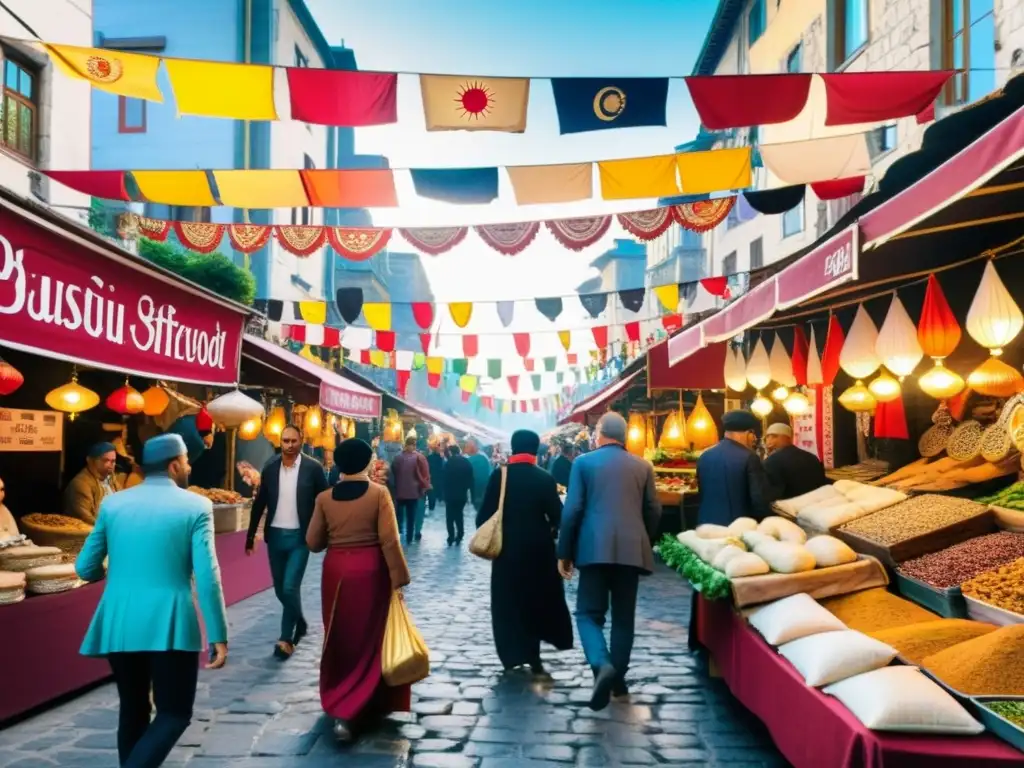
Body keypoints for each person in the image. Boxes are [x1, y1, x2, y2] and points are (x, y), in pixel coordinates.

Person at [75, 433, 228, 767]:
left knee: (133, 708)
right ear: (174, 465)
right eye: (187, 460)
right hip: (170, 620)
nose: (189, 466)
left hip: (119, 619)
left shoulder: (113, 504)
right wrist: (218, 633)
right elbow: (207, 575)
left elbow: (84, 567)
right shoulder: (196, 505)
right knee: (174, 712)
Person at [306, 438, 411, 743]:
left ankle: (340, 699)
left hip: (336, 571)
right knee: (370, 636)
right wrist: (400, 578)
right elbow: (390, 540)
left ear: (338, 465)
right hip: (371, 570)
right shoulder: (379, 494)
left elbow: (313, 543)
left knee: (339, 634)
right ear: (367, 463)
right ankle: (368, 699)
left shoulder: (325, 499)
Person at [557, 412, 661, 711]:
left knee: (588, 614)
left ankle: (601, 664)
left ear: (599, 433)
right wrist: (643, 538)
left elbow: (573, 509)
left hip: (593, 548)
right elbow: (653, 510)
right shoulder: (643, 466)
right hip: (631, 549)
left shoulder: (583, 463)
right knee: (624, 617)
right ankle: (618, 679)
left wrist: (564, 551)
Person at [476, 430, 573, 675]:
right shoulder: (545, 478)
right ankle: (533, 655)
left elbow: (483, 515)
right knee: (534, 600)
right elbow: (558, 516)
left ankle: (510, 655)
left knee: (507, 602)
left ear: (513, 446)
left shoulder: (500, 475)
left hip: (506, 550)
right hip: (538, 551)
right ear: (535, 450)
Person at [246, 424, 329, 660]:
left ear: (301, 441)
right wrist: (250, 536)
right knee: (281, 589)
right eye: (285, 441)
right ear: (280, 442)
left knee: (290, 587)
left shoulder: (313, 468)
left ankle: (285, 638)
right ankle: (300, 621)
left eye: (293, 441)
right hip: (275, 537)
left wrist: (324, 532)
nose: (289, 445)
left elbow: (324, 500)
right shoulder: (270, 468)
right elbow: (260, 502)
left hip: (300, 538)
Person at [695, 410, 773, 527]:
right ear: (749, 433)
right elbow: (759, 499)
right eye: (753, 435)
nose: (753, 440)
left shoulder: (705, 456)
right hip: (736, 527)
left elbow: (702, 492)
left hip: (705, 524)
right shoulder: (749, 457)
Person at [763, 422, 828, 500]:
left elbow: (770, 494)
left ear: (788, 438)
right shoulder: (812, 457)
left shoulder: (771, 462)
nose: (769, 440)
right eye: (767, 437)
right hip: (815, 505)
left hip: (788, 508)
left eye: (774, 436)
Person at [64, 442, 124, 525]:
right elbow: (86, 518)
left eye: (113, 461)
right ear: (90, 461)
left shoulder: (111, 480)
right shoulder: (81, 484)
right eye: (105, 460)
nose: (111, 465)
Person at [391, 436, 431, 545]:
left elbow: (394, 471)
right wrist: (424, 486)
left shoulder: (398, 458)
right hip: (413, 492)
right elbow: (425, 474)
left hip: (400, 491)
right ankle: (409, 537)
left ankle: (399, 534)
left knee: (400, 515)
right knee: (411, 516)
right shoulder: (420, 458)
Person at [443, 444, 474, 546]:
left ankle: (451, 536)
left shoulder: (448, 463)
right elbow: (471, 479)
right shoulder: (466, 462)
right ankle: (460, 535)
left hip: (450, 494)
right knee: (459, 514)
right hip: (462, 494)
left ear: (451, 452)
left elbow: (444, 479)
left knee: (450, 516)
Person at [464, 439, 491, 511]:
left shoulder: (482, 457)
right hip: (476, 489)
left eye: (468, 447)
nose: (466, 449)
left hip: (481, 488)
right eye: (467, 446)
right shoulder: (469, 458)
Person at [426, 444, 445, 513]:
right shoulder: (441, 458)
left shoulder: (428, 457)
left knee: (431, 492)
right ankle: (439, 500)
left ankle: (431, 507)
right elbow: (443, 468)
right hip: (439, 477)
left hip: (431, 477)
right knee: (437, 490)